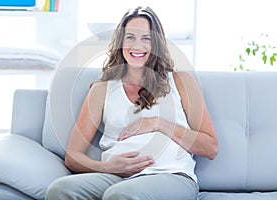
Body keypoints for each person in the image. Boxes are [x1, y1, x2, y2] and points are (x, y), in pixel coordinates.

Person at [45, 6, 218, 200]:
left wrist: (157, 123)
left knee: (120, 195)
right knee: (60, 189)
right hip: (116, 178)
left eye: (146, 38)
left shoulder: (181, 81)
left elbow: (210, 147)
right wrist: (106, 167)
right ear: (120, 42)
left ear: (157, 44)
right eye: (130, 37)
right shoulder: (102, 89)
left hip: (171, 175)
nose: (137, 46)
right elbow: (73, 156)